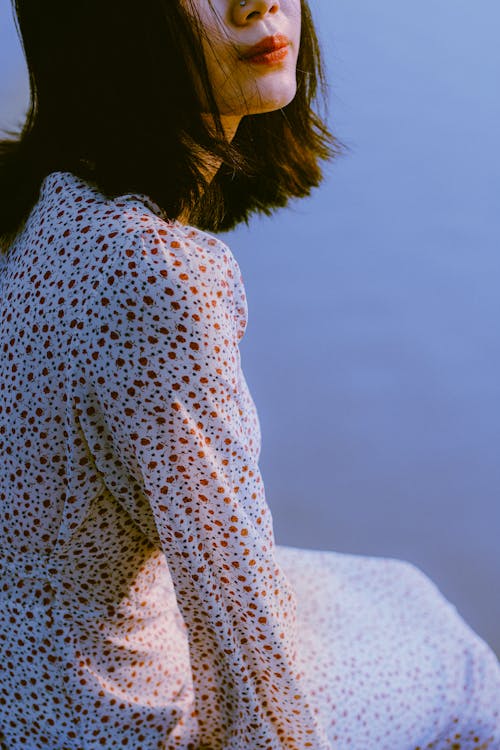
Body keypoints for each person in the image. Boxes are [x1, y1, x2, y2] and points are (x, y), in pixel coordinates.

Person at [0, 1, 499, 748]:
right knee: (462, 671)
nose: (257, 3)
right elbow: (240, 619)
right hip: (101, 714)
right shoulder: (159, 275)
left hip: (32, 663)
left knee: (397, 589)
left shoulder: (41, 200)